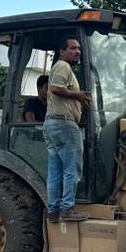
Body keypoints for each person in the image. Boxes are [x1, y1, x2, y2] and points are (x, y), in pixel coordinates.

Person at [43, 36, 91, 223]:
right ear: (62, 51)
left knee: (55, 171)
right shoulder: (63, 66)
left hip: (52, 124)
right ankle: (67, 209)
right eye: (73, 48)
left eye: (79, 48)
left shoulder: (59, 67)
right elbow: (55, 88)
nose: (77, 51)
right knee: (72, 168)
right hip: (64, 124)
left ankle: (53, 211)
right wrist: (78, 96)